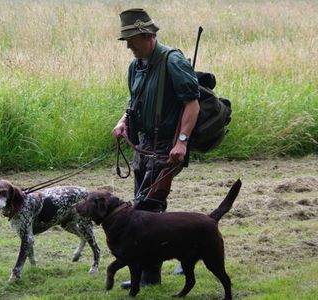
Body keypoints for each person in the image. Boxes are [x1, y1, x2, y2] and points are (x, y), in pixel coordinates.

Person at [112, 8, 200, 288]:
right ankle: (184, 249)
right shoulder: (135, 65)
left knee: (147, 209)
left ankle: (149, 275)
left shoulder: (172, 61)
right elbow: (134, 101)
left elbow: (192, 103)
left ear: (147, 35)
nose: (128, 46)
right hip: (143, 144)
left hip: (167, 145)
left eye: (131, 40)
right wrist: (123, 121)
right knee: (146, 204)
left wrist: (182, 142)